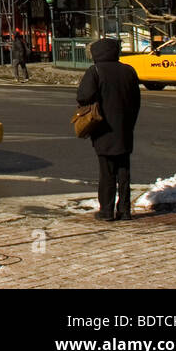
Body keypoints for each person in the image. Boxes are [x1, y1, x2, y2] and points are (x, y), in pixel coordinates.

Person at [76, 38, 141, 221]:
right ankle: (125, 209)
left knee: (107, 172)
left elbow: (83, 97)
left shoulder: (95, 71)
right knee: (124, 171)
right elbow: (136, 100)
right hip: (125, 128)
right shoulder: (129, 71)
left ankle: (106, 210)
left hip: (104, 128)